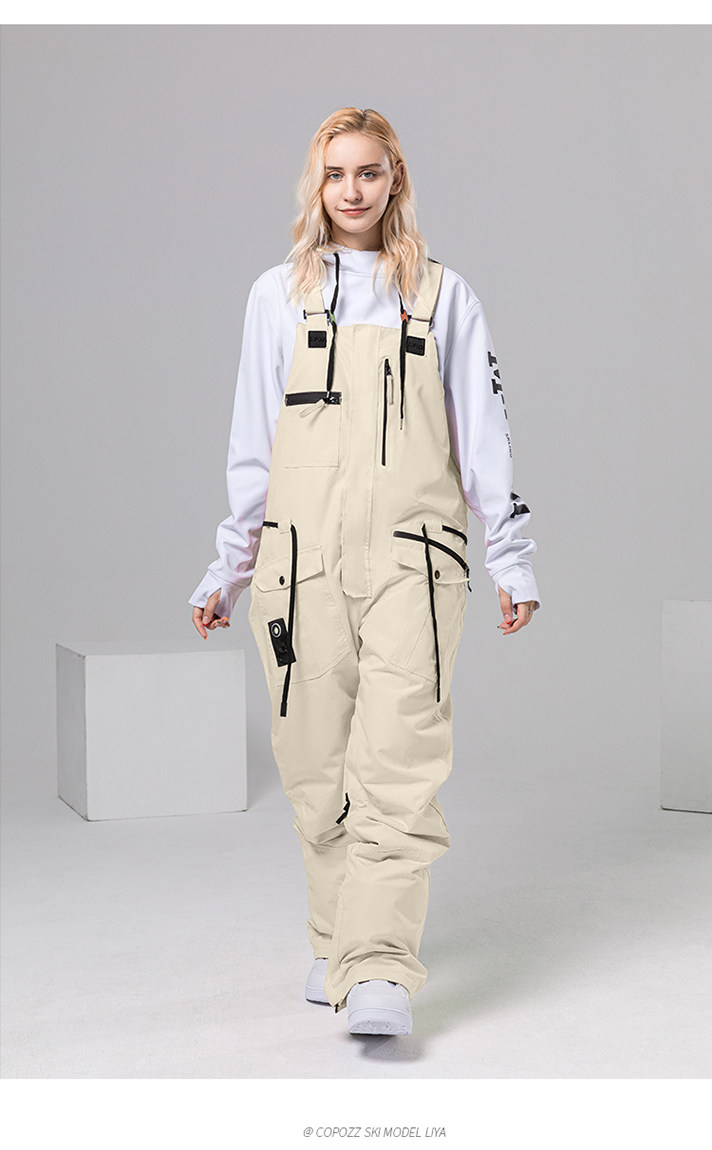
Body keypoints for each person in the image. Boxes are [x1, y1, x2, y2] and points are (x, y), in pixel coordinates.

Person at [189, 107, 541, 1037]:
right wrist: (228, 567)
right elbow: (252, 444)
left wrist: (511, 556)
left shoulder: (443, 296)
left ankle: (380, 967)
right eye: (336, 174)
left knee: (397, 762)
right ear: (318, 185)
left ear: (396, 182)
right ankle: (339, 938)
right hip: (297, 566)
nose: (353, 191)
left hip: (415, 565)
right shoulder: (278, 295)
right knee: (314, 767)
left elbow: (484, 436)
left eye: (370, 173)